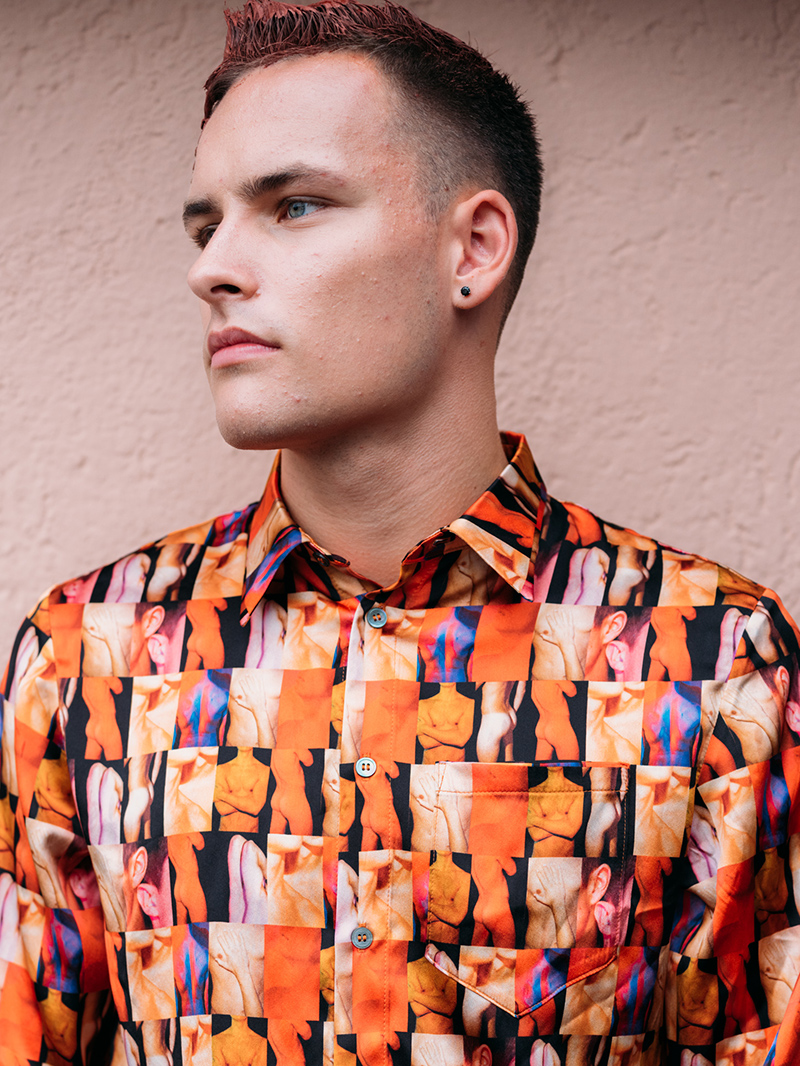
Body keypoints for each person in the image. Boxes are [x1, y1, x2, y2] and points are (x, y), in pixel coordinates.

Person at [0, 2, 799, 1064]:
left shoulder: (712, 660)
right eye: (205, 225)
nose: (211, 268)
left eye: (293, 205)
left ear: (472, 248)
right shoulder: (86, 654)